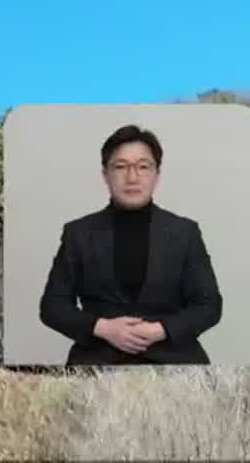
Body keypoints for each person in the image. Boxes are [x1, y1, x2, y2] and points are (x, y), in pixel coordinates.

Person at [38, 124, 222, 365]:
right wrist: (103, 328)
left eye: (143, 167)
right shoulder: (78, 233)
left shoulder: (184, 232)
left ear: (157, 174)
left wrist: (160, 330)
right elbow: (52, 306)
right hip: (98, 360)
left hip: (176, 360)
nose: (132, 177)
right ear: (105, 175)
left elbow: (209, 305)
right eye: (121, 166)